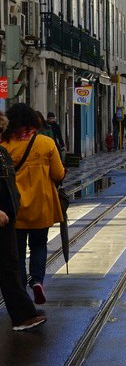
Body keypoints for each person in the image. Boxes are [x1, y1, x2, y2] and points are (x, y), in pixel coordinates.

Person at [1, 104, 66, 305]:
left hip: (15, 207)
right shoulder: (45, 143)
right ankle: (37, 281)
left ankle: (20, 288)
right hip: (41, 205)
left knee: (18, 252)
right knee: (39, 245)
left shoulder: (4, 146)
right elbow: (58, 174)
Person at [0, 112, 47, 331]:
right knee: (10, 268)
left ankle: (24, 316)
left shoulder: (3, 152)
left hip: (9, 220)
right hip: (4, 218)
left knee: (10, 268)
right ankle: (24, 315)